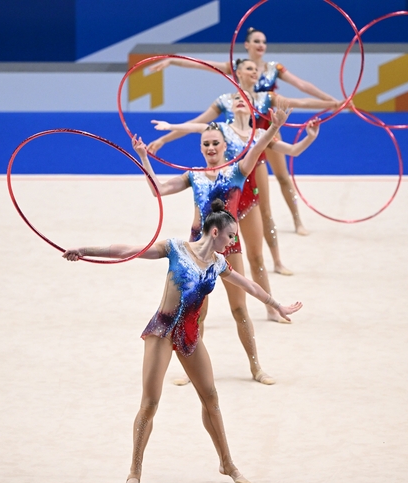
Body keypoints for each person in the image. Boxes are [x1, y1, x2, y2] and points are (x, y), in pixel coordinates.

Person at [63, 199, 303, 483]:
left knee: (211, 398)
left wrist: (277, 305)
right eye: (230, 236)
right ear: (215, 232)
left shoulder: (219, 264)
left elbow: (249, 286)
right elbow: (128, 250)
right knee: (150, 403)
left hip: (190, 336)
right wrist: (85, 251)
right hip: (162, 331)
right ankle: (134, 471)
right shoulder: (175, 248)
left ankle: (227, 463)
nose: (232, 242)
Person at [133, 104, 311, 386]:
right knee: (197, 312)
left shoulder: (237, 172)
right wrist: (144, 157)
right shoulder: (193, 175)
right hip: (196, 250)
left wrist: (275, 126)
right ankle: (193, 368)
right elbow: (159, 190)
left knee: (239, 308)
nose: (211, 147)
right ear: (201, 148)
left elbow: (259, 145)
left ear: (225, 145)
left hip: (229, 246)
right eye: (206, 144)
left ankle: (256, 367)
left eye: (215, 143)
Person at [149, 59, 336, 273]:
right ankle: (205, 266)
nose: (255, 72)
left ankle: (276, 261)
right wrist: (167, 134)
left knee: (265, 212)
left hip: (254, 164)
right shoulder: (224, 112)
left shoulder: (265, 101)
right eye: (250, 68)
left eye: (257, 70)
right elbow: (197, 124)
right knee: (213, 226)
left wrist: (330, 104)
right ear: (238, 72)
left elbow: (299, 103)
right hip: (229, 179)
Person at [150, 28, 342, 236]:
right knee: (242, 191)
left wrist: (330, 102)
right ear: (247, 45)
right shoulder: (235, 71)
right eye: (256, 41)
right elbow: (202, 79)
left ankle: (297, 220)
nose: (261, 45)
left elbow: (302, 89)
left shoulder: (272, 71)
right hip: (234, 140)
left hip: (266, 132)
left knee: (282, 178)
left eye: (264, 41)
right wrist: (172, 60)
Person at [150, 92, 320, 324]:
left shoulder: (260, 133)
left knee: (256, 256)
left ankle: (270, 307)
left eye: (246, 98)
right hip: (221, 196)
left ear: (253, 107)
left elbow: (293, 151)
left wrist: (310, 137)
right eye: (236, 98)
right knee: (209, 248)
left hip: (245, 194)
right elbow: (194, 127)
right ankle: (199, 318)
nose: (240, 99)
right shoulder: (220, 129)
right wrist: (168, 129)